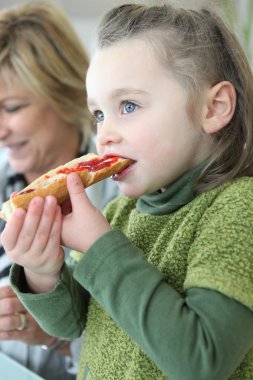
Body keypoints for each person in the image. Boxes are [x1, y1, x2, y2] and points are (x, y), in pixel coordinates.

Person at [2, 2, 253, 380]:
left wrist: (99, 246)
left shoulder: (238, 209)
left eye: (129, 105)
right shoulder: (122, 211)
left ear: (214, 107)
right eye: (99, 114)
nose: (104, 134)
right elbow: (70, 325)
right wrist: (42, 270)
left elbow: (203, 360)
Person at [0, 1, 119, 380]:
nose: (0, 130)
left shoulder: (119, 194)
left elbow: (134, 342)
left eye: (13, 107)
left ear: (64, 95)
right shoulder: (6, 177)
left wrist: (55, 337)